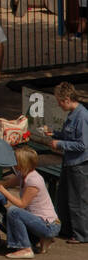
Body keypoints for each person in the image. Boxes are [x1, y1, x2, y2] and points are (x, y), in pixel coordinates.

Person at [0, 146, 60, 258]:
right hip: (40, 220)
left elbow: (22, 204)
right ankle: (42, 239)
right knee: (4, 220)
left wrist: (1, 189)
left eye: (16, 160)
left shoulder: (33, 180)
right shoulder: (23, 175)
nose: (14, 163)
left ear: (23, 163)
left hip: (49, 225)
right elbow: (7, 184)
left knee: (13, 212)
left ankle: (25, 248)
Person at [45, 81, 87, 243]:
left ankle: (81, 234)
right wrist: (55, 134)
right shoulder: (72, 114)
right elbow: (69, 135)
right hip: (69, 162)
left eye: (60, 101)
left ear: (67, 99)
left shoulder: (82, 116)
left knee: (77, 199)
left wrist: (60, 144)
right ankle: (66, 228)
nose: (59, 104)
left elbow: (82, 145)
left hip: (79, 163)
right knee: (63, 197)